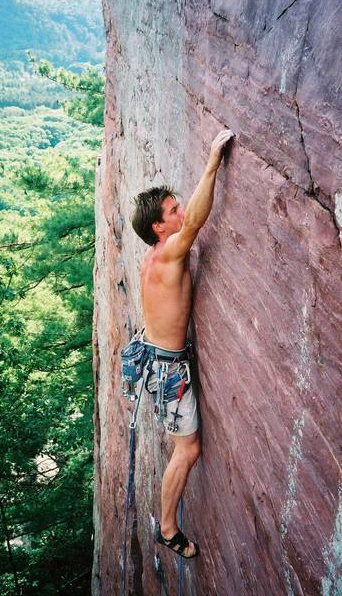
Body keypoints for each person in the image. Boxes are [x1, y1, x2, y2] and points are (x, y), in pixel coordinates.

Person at [131, 129, 234, 559]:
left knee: (183, 446)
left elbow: (187, 220)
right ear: (159, 227)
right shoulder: (170, 252)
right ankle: (169, 528)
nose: (180, 212)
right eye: (172, 210)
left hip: (156, 359)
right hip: (167, 369)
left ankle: (169, 523)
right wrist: (212, 161)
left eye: (177, 207)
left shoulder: (154, 255)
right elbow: (196, 222)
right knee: (187, 450)